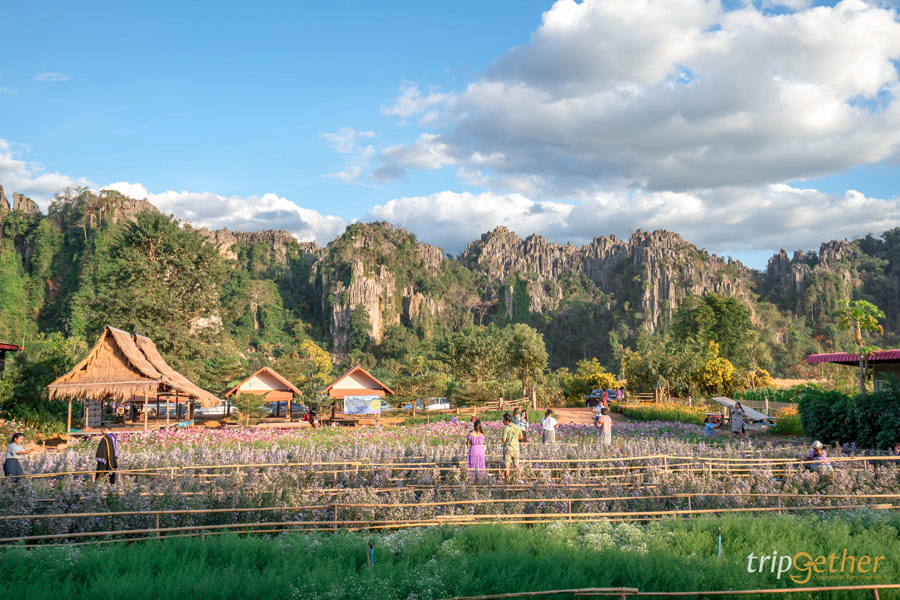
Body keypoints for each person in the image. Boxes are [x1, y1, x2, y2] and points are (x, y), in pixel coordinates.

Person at [501, 413, 523, 481]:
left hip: (508, 448)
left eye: (504, 420)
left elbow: (503, 440)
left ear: (507, 420)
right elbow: (521, 437)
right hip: (516, 448)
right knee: (516, 465)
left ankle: (507, 480)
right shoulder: (517, 427)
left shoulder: (506, 428)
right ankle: (518, 479)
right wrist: (514, 438)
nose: (503, 422)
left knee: (507, 466)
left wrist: (509, 439)